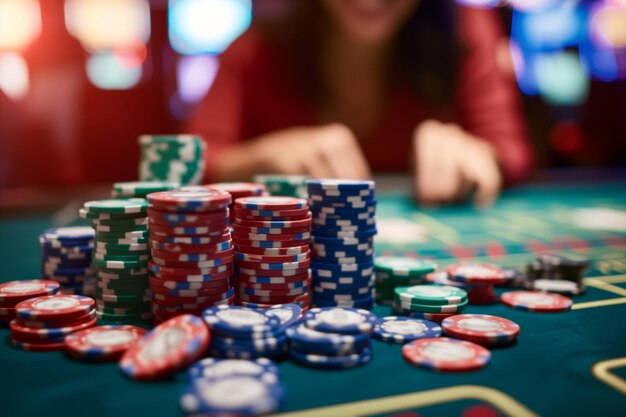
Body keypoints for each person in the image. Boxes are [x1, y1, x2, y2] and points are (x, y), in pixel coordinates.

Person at [185, 0, 534, 206]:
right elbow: (189, 164)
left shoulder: (466, 28)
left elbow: (511, 148)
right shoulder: (256, 47)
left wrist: (481, 154)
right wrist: (264, 159)